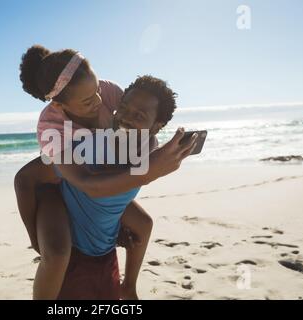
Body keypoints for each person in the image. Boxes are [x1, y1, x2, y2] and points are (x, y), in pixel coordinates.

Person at [14, 45, 197, 299]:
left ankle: (129, 286)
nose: (100, 101)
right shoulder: (51, 127)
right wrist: (35, 238)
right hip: (60, 184)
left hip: (99, 171)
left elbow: (135, 122)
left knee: (143, 224)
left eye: (97, 89)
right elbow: (83, 183)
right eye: (88, 100)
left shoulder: (108, 92)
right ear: (59, 104)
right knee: (56, 255)